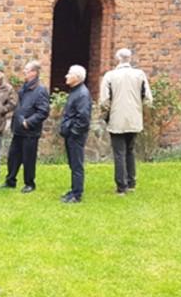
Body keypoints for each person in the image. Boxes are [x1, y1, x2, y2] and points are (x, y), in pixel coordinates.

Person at [100, 48, 153, 195]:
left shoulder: (110, 76)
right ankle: (131, 182)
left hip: (117, 118)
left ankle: (121, 186)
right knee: (130, 151)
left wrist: (106, 114)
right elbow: (148, 97)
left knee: (119, 153)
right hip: (134, 118)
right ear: (130, 59)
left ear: (118, 58)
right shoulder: (139, 74)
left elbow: (104, 100)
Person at [0, 60, 50, 193]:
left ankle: (29, 183)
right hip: (18, 129)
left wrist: (29, 122)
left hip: (30, 131)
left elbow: (43, 112)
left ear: (34, 72)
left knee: (28, 159)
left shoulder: (40, 90)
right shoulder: (25, 88)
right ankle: (10, 180)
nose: (24, 72)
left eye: (27, 70)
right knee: (13, 157)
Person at [60, 65, 92, 204]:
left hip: (76, 136)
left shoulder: (82, 94)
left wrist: (73, 132)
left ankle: (77, 194)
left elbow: (83, 118)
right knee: (73, 164)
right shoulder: (75, 92)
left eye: (69, 74)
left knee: (77, 165)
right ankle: (73, 190)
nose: (66, 76)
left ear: (77, 77)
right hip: (71, 134)